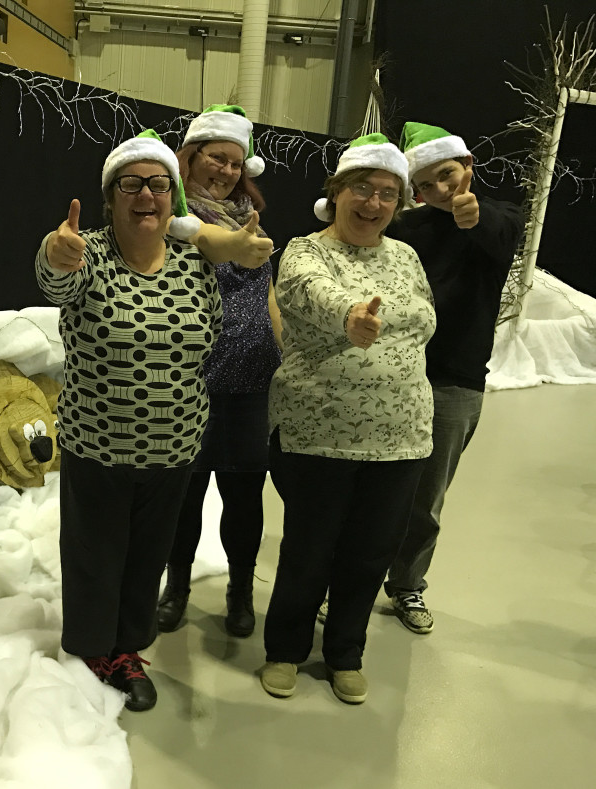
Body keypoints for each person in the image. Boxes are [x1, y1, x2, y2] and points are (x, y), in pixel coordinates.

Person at [36, 130, 269, 712]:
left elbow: (208, 336)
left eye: (159, 185)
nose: (147, 195)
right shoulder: (88, 253)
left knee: (146, 557)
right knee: (96, 553)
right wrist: (52, 252)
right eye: (132, 185)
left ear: (173, 198)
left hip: (174, 450)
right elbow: (55, 277)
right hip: (99, 446)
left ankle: (128, 648)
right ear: (112, 197)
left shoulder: (194, 263)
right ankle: (95, 650)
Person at [258, 133, 436, 704]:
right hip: (318, 434)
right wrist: (352, 317)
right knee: (309, 549)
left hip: (400, 439)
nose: (374, 203)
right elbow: (310, 295)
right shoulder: (307, 251)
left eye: (388, 193)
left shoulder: (406, 257)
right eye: (363, 188)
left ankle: (345, 654)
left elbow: (426, 319)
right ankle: (285, 649)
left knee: (370, 551)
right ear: (337, 192)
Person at [380, 121, 525, 633]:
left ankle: (408, 585)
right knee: (375, 491)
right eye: (426, 186)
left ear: (467, 167)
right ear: (413, 192)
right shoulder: (405, 230)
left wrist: (473, 215)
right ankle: (352, 579)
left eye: (447, 176)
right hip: (391, 375)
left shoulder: (500, 219)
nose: (442, 192)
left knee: (427, 497)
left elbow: (495, 231)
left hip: (457, 381)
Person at [155, 105, 281, 638]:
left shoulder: (251, 226)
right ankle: (177, 586)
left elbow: (269, 300)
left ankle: (239, 590)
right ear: (191, 158)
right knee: (183, 496)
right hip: (189, 382)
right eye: (216, 158)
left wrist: (287, 349)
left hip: (250, 382)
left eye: (235, 163)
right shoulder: (167, 223)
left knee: (244, 497)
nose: (226, 171)